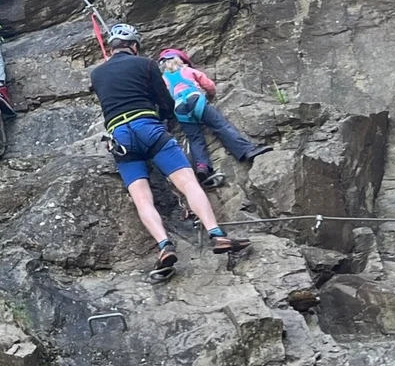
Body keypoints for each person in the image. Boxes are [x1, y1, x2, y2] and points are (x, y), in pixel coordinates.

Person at [87, 24, 250, 281]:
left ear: (111, 46)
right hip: (148, 127)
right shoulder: (146, 64)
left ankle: (164, 245)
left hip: (119, 137)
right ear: (134, 45)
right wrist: (163, 118)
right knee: (187, 182)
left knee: (142, 198)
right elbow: (165, 102)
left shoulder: (97, 74)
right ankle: (216, 234)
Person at [157, 48, 271, 188]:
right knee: (220, 126)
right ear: (181, 60)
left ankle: (202, 167)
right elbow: (208, 85)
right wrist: (211, 94)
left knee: (195, 138)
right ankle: (247, 150)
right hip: (196, 100)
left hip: (179, 109)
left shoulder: (163, 80)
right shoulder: (188, 71)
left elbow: (164, 99)